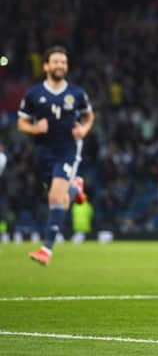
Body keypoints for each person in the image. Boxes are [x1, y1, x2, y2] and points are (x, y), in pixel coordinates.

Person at [18, 46, 92, 266]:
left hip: (68, 150)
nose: (60, 65)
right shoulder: (34, 94)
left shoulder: (76, 93)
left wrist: (84, 130)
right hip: (43, 153)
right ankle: (75, 188)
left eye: (63, 62)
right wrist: (34, 128)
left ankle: (46, 249)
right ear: (46, 66)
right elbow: (21, 122)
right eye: (56, 62)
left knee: (54, 198)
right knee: (59, 198)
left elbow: (89, 116)